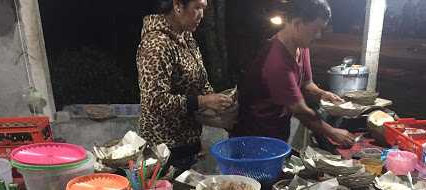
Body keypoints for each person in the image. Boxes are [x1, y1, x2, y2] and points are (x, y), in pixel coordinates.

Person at [235, 0, 355, 148]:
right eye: (315, 30)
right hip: (254, 136)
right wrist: (332, 132)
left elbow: (306, 83)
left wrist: (323, 94)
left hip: (277, 130)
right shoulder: (277, 61)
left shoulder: (301, 46)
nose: (318, 36)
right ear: (297, 24)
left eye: (321, 31)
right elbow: (299, 110)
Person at [137, 0, 232, 170]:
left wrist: (220, 104)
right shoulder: (157, 44)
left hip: (188, 143)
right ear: (178, 6)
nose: (202, 15)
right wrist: (204, 101)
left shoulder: (186, 37)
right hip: (164, 150)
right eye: (196, 7)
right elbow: (154, 102)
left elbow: (200, 83)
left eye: (203, 8)